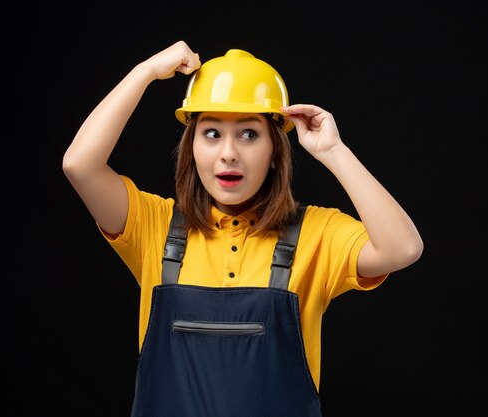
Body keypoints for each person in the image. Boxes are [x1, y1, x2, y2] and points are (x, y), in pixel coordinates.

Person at [63, 40, 423, 417]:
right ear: (192, 147)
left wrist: (334, 151)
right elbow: (79, 165)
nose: (229, 153)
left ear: (274, 151)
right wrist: (145, 72)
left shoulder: (316, 234)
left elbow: (403, 248)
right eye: (212, 133)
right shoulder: (154, 227)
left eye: (249, 134)